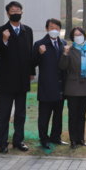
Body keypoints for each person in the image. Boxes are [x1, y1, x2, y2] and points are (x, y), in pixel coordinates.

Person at [0, 1, 35, 153]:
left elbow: (30, 52)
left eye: (18, 10)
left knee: (20, 113)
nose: (16, 12)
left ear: (22, 12)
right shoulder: (0, 31)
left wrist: (32, 71)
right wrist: (4, 40)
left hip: (23, 79)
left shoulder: (27, 31)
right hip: (7, 80)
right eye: (13, 10)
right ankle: (2, 143)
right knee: (4, 113)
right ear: (8, 13)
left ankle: (18, 140)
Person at [31, 18, 69, 150]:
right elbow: (33, 63)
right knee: (44, 116)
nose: (54, 30)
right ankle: (44, 139)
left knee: (58, 114)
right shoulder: (40, 44)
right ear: (47, 29)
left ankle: (56, 137)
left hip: (60, 86)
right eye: (52, 28)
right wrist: (39, 54)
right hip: (47, 86)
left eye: (57, 28)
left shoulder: (63, 43)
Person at [58, 27, 86, 149]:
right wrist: (65, 54)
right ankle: (73, 140)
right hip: (73, 85)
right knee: (73, 114)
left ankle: (81, 139)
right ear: (72, 37)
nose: (78, 36)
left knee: (82, 114)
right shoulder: (69, 49)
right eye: (76, 35)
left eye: (80, 34)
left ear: (84, 35)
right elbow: (62, 67)